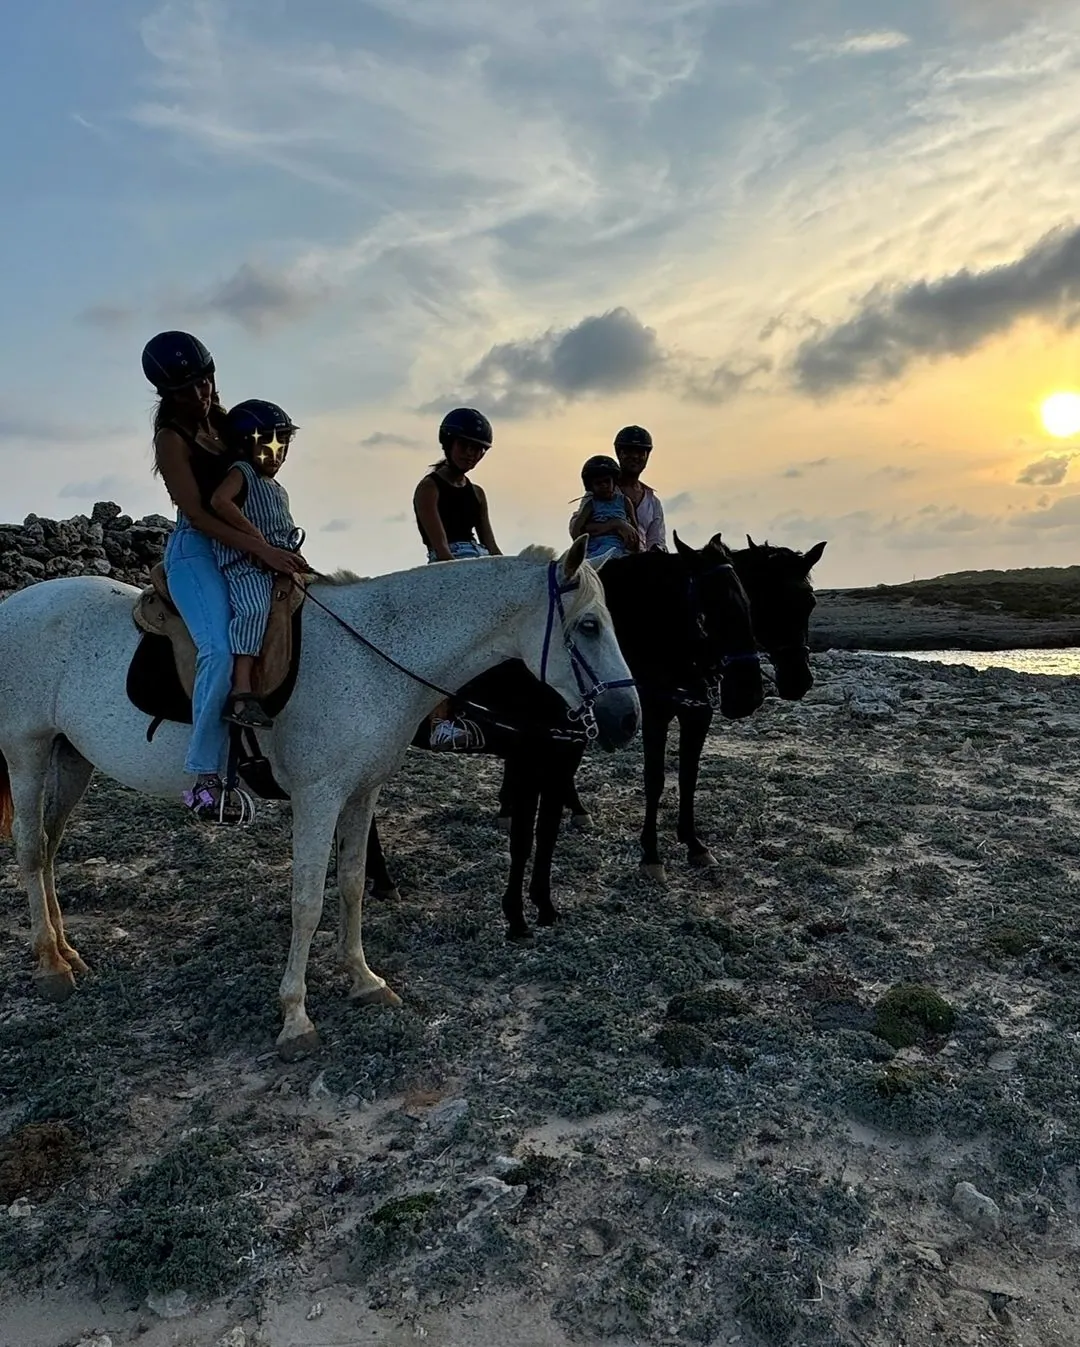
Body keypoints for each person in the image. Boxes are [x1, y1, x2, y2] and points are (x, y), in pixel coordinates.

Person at [145, 331, 305, 821]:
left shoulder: (224, 421)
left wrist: (273, 540)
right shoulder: (171, 438)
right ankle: (205, 777)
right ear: (166, 396)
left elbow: (256, 476)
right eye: (185, 390)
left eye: (204, 381)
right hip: (198, 551)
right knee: (215, 644)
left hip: (245, 540)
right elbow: (197, 513)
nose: (200, 394)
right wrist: (262, 549)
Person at [210, 400, 306, 730]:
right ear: (245, 444)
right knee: (252, 609)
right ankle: (241, 692)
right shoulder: (243, 473)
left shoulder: (277, 489)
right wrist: (258, 542)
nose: (277, 452)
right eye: (269, 442)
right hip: (247, 564)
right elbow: (220, 502)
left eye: (283, 443)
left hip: (276, 564)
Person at [412, 407, 501, 747]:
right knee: (447, 646)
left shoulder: (477, 493)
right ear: (448, 443)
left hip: (477, 561)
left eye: (478, 449)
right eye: (466, 445)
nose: (471, 454)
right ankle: (439, 722)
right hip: (447, 566)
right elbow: (441, 548)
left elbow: (491, 545)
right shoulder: (428, 488)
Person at [569, 455, 642, 561]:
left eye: (607, 481)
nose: (604, 486)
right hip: (593, 551)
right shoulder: (591, 504)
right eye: (598, 483)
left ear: (614, 481)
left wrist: (635, 549)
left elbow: (634, 529)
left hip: (616, 550)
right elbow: (576, 532)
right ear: (591, 486)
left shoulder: (624, 502)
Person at [613, 425, 667, 552]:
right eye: (629, 451)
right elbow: (577, 529)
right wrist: (615, 524)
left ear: (647, 456)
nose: (635, 456)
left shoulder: (653, 502)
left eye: (640, 452)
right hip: (604, 561)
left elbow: (657, 541)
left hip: (641, 564)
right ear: (619, 454)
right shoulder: (602, 491)